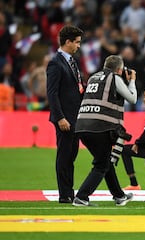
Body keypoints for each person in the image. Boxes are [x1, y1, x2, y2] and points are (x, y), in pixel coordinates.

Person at [72, 55, 136, 206]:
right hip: (100, 127)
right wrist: (132, 80)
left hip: (82, 125)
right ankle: (81, 197)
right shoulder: (114, 78)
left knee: (105, 161)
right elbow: (132, 98)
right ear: (119, 69)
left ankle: (119, 196)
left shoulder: (94, 77)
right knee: (101, 165)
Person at [46, 25, 84, 204]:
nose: (78, 46)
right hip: (65, 119)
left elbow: (77, 88)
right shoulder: (55, 63)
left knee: (71, 155)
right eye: (76, 42)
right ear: (67, 42)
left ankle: (69, 192)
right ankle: (64, 194)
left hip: (75, 118)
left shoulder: (72, 62)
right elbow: (52, 93)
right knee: (64, 156)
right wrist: (60, 117)